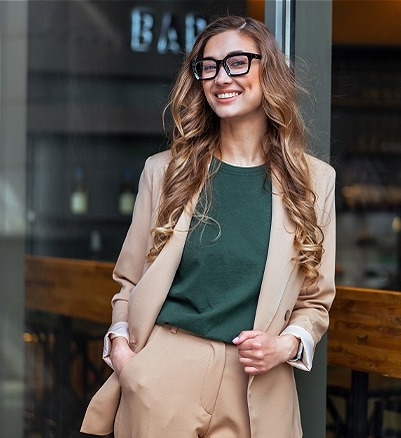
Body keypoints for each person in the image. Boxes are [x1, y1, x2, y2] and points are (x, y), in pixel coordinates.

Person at [81, 15, 336, 438]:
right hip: (164, 373)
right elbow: (128, 281)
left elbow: (315, 302)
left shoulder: (313, 182)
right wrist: (125, 356)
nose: (221, 77)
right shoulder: (164, 173)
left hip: (259, 384)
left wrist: (285, 345)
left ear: (267, 70)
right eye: (208, 66)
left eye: (237, 62)